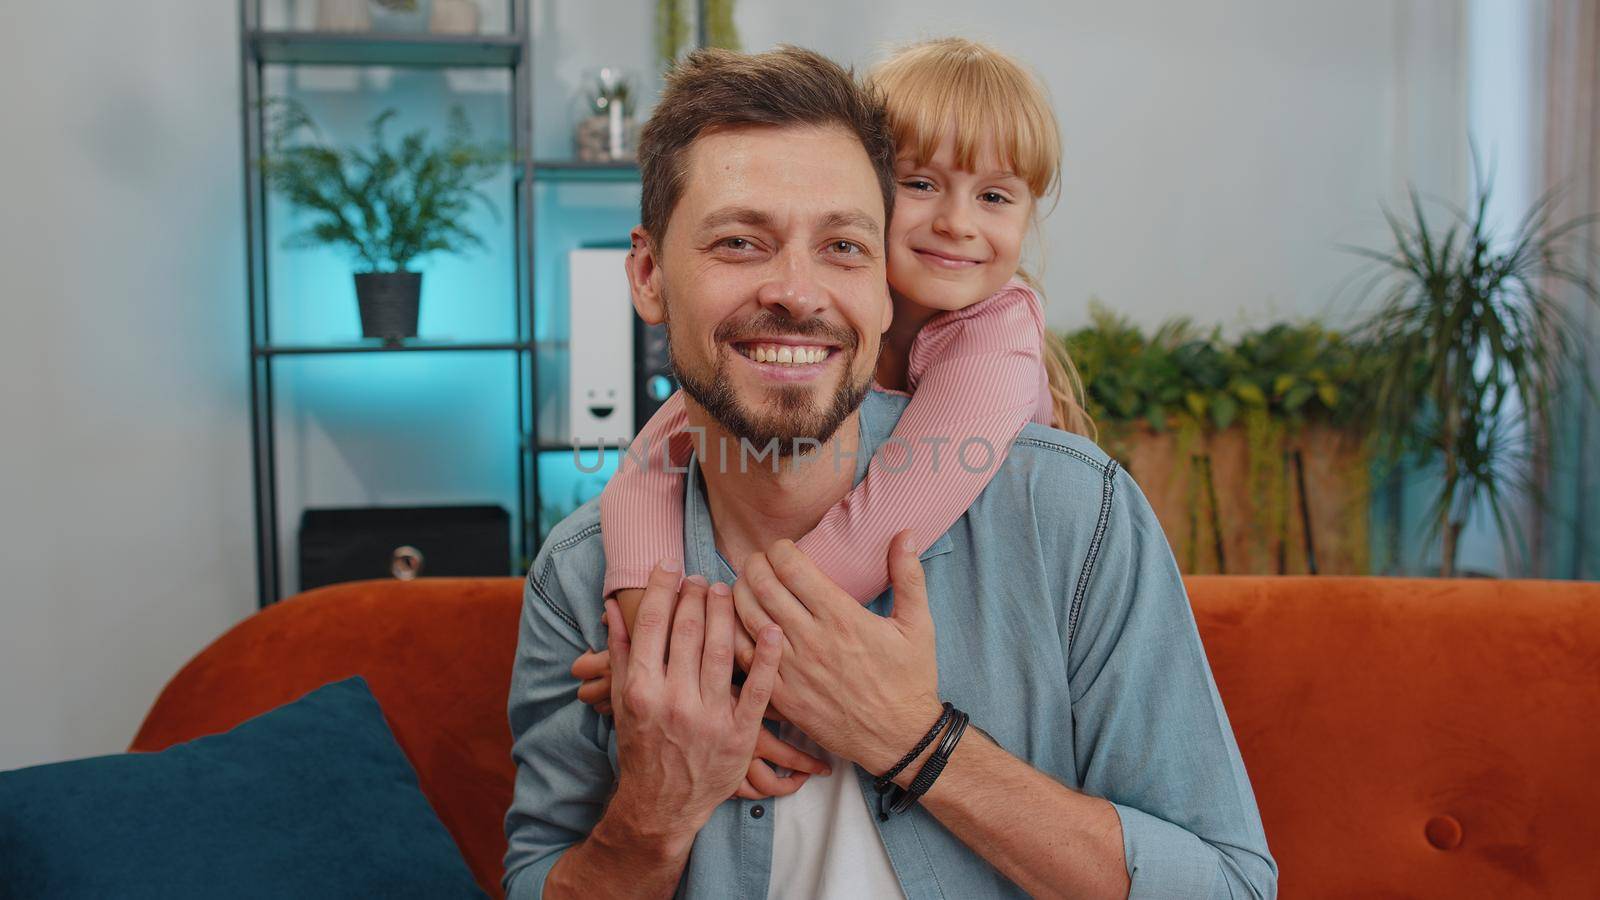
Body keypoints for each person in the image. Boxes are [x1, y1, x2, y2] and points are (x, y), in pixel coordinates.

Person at [503, 44, 1277, 899]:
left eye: (840, 245)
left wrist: (913, 737)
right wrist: (654, 803)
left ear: (878, 282)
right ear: (649, 276)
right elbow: (657, 451)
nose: (797, 290)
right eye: (738, 241)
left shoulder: (1069, 509)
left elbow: (1231, 888)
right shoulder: (577, 577)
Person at [574, 38, 1096, 804]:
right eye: (921, 183)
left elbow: (881, 526)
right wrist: (646, 631)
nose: (957, 223)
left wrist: (716, 670)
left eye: (995, 196)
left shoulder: (996, 336)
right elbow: (652, 460)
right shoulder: (827, 330)